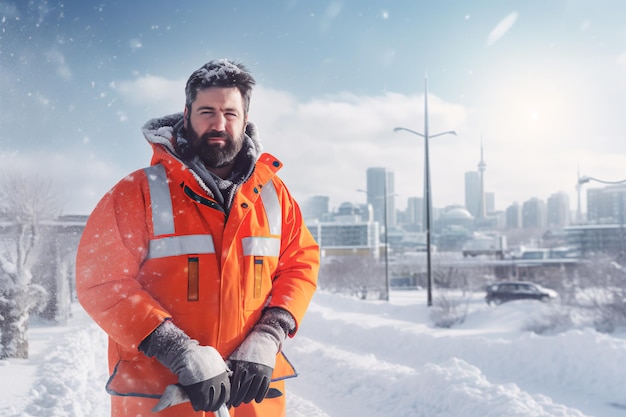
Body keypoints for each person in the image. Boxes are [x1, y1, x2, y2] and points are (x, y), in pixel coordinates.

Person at [76, 59, 319, 417]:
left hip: (248, 400)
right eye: (207, 111)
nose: (219, 124)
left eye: (230, 113)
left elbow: (300, 266)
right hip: (163, 401)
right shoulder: (138, 193)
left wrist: (269, 335)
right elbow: (100, 280)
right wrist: (177, 350)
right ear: (187, 114)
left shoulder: (274, 194)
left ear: (245, 118)